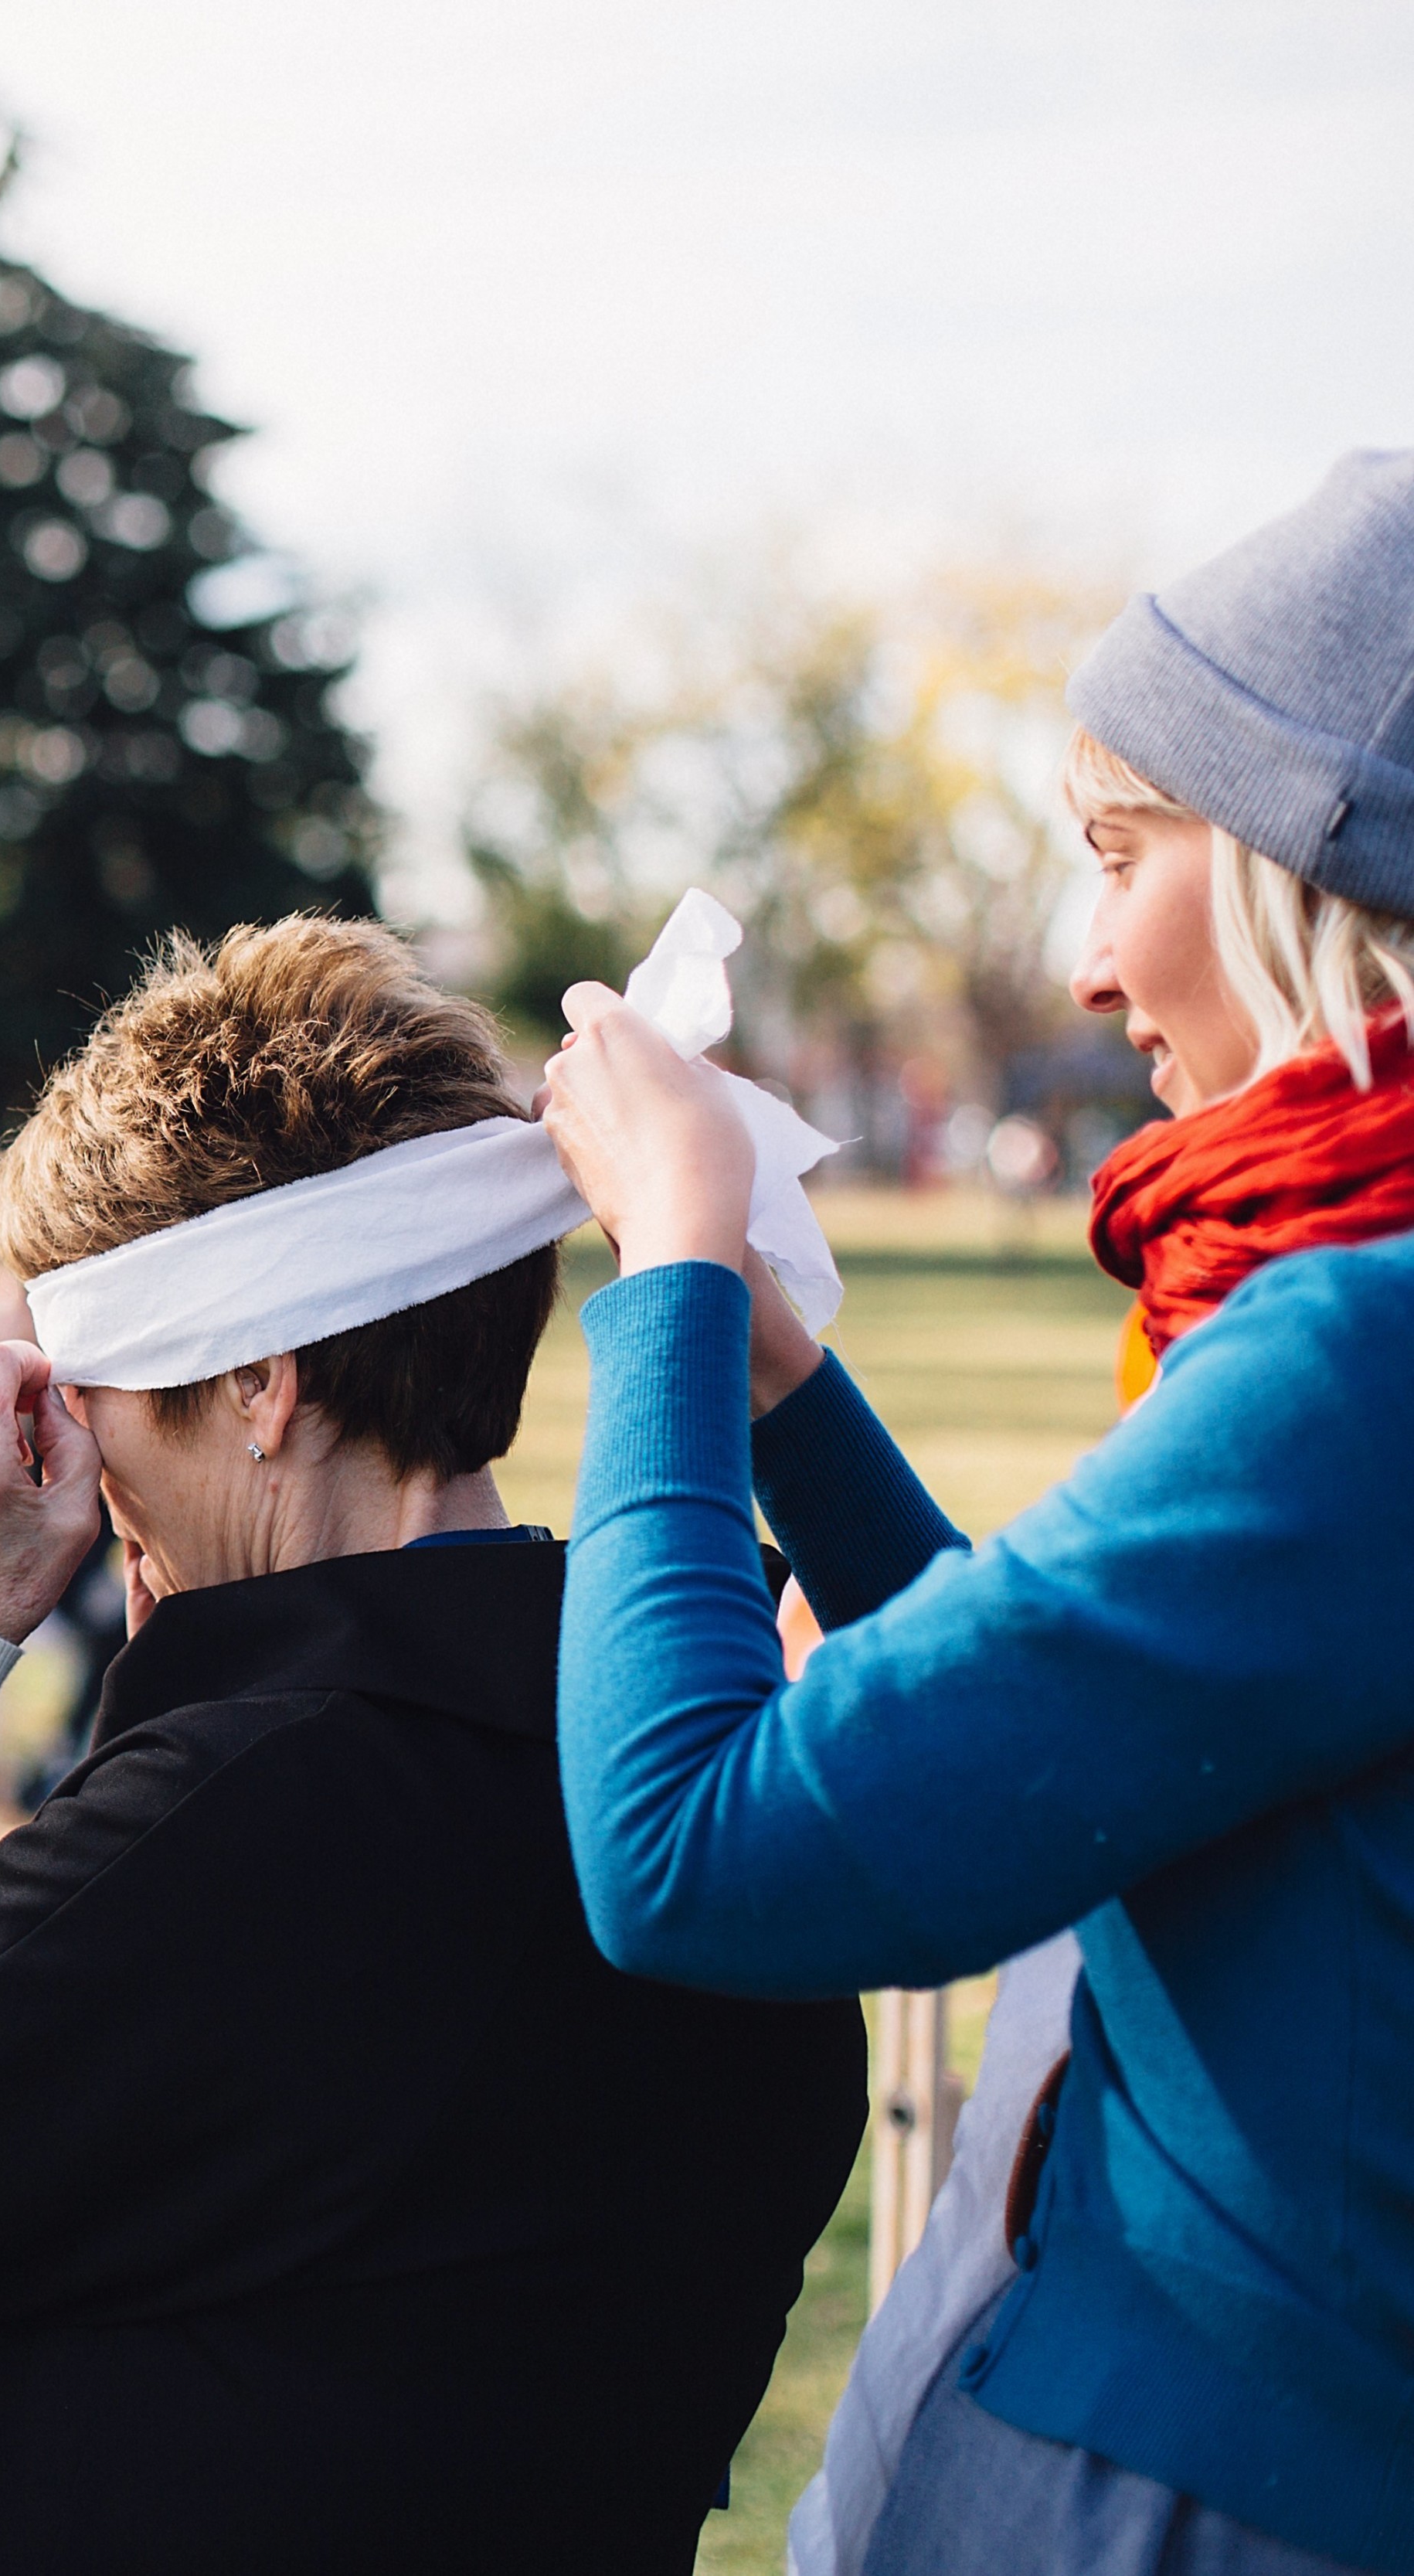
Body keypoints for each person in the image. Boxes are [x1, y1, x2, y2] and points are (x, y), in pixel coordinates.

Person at [0, 918, 865, 2574]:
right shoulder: (720, 1740)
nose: (80, 1472)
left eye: (85, 1394)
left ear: (262, 1387)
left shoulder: (272, 1797)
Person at [542, 451, 1414, 2575]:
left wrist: (671, 1274)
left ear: (1311, 873)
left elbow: (689, 1850)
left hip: (1206, 2484)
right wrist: (785, 1389)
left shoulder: (1357, 1362)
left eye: (1120, 855)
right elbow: (1109, 1744)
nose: (1091, 963)